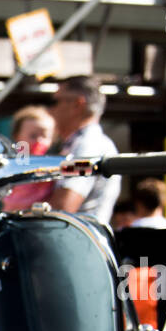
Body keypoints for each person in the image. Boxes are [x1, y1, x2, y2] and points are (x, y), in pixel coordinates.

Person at [49, 75, 121, 223]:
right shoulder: (83, 143)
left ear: (77, 104)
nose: (51, 109)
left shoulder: (88, 145)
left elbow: (63, 206)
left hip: (75, 241)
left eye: (56, 101)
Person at [1, 105, 55, 212]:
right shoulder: (9, 165)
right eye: (33, 136)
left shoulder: (52, 167)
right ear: (17, 136)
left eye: (44, 136)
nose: (39, 141)